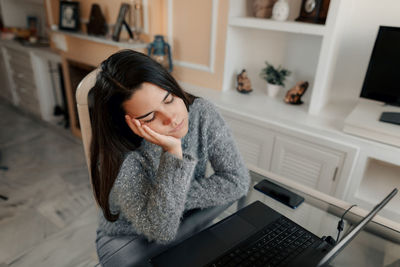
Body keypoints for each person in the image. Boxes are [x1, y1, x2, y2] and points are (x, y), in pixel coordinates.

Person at [90, 50, 250, 266]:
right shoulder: (117, 154)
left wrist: (172, 200)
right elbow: (160, 229)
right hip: (128, 239)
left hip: (187, 218)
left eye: (169, 99)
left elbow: (238, 181)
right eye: (149, 116)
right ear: (126, 123)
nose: (172, 118)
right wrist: (172, 154)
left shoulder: (202, 112)